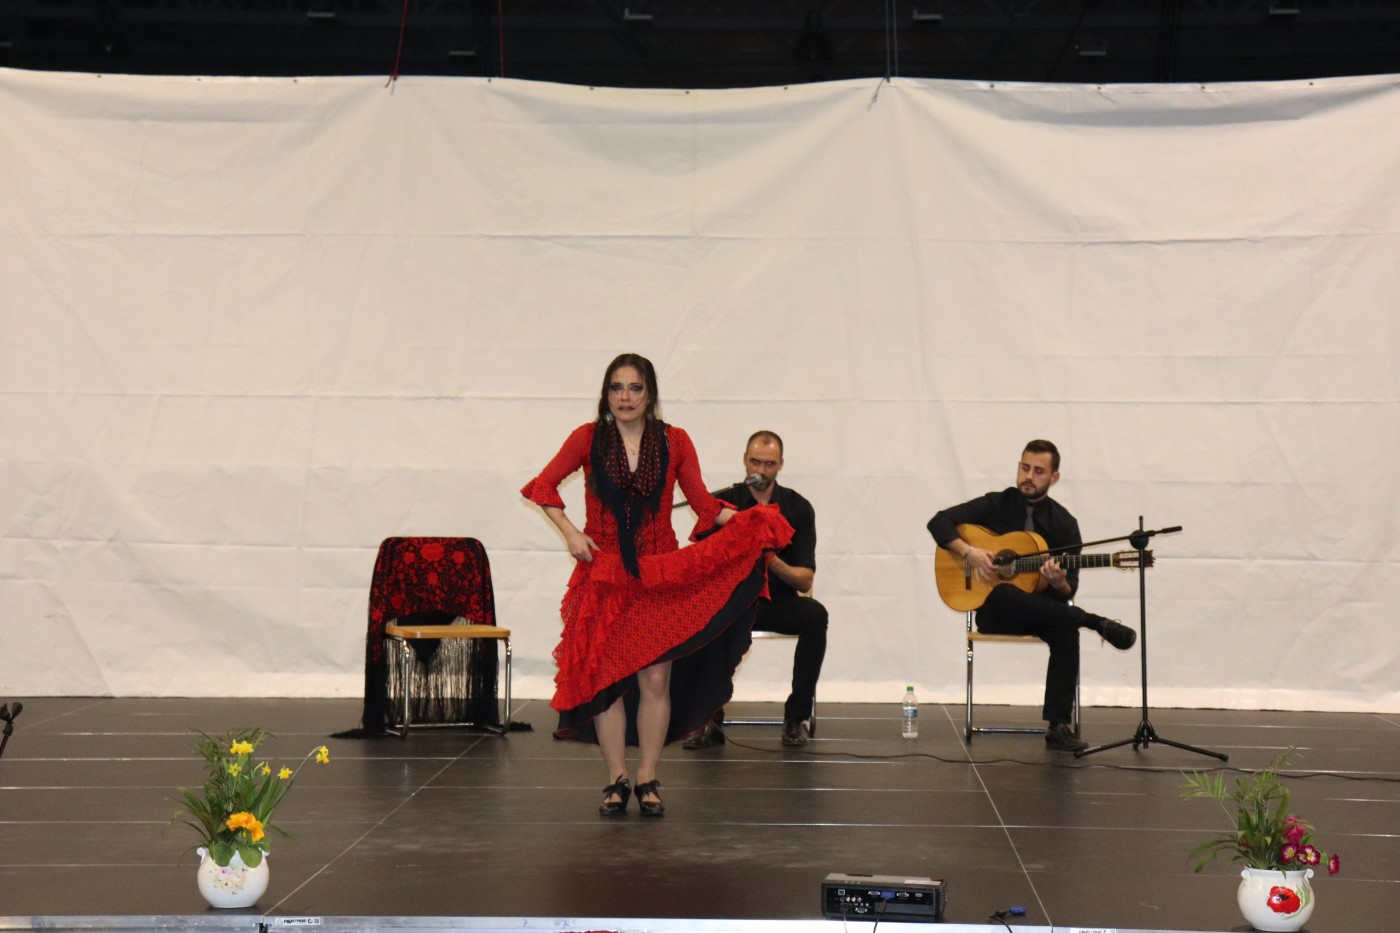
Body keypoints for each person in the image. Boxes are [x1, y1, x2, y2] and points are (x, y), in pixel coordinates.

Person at [521, 353, 793, 816]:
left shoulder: (675, 441)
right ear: (606, 394)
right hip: (605, 574)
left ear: (650, 394)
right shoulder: (587, 438)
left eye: (635, 388)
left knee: (654, 678)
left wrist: (750, 523)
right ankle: (616, 778)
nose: (625, 397)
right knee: (606, 678)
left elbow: (706, 506)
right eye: (617, 387)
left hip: (659, 572)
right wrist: (571, 533)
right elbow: (542, 487)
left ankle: (647, 775)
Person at [926, 439, 1136, 752]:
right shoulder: (997, 503)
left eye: (1039, 471)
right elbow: (938, 521)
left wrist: (1058, 582)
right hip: (997, 612)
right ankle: (1093, 621)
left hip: (1042, 612)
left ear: (1054, 477)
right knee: (1005, 592)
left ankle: (1058, 726)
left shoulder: (1065, 524)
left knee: (1066, 630)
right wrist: (969, 552)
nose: (1029, 476)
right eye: (1025, 467)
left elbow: (1068, 590)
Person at [684, 430, 827, 748]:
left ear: (781, 464)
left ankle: (796, 718)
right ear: (744, 460)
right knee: (704, 614)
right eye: (755, 462)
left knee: (815, 615)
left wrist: (769, 557)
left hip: (777, 601)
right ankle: (710, 719)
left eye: (769, 464)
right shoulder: (723, 504)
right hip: (733, 599)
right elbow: (703, 565)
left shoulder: (798, 507)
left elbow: (805, 580)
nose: (761, 470)